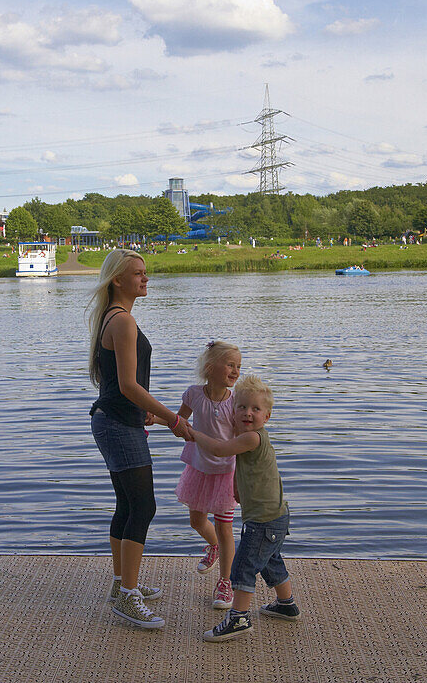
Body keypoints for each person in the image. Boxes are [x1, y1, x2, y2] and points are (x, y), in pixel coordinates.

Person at [87, 248, 191, 630]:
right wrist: (173, 419)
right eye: (138, 274)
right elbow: (129, 385)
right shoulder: (123, 321)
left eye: (146, 273)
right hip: (116, 424)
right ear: (118, 280)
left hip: (115, 419)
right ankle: (127, 597)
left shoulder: (114, 318)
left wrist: (145, 412)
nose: (146, 279)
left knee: (128, 505)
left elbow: (119, 385)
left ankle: (120, 585)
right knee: (143, 507)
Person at [182, 375, 301, 642]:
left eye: (255, 409)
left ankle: (239, 618)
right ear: (233, 412)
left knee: (244, 567)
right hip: (275, 516)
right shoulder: (249, 438)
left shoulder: (252, 439)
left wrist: (192, 432)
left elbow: (220, 449)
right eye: (241, 407)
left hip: (264, 519)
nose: (248, 412)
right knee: (271, 561)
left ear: (267, 416)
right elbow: (241, 465)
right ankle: (286, 604)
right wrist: (236, 486)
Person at [173, 340, 242, 610]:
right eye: (230, 365)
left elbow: (243, 436)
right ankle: (213, 546)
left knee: (225, 528)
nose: (236, 371)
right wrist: (154, 418)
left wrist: (243, 477)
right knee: (196, 521)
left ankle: (225, 583)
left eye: (239, 366)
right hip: (199, 470)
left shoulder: (237, 401)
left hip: (227, 473)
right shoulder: (193, 394)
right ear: (210, 368)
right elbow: (180, 422)